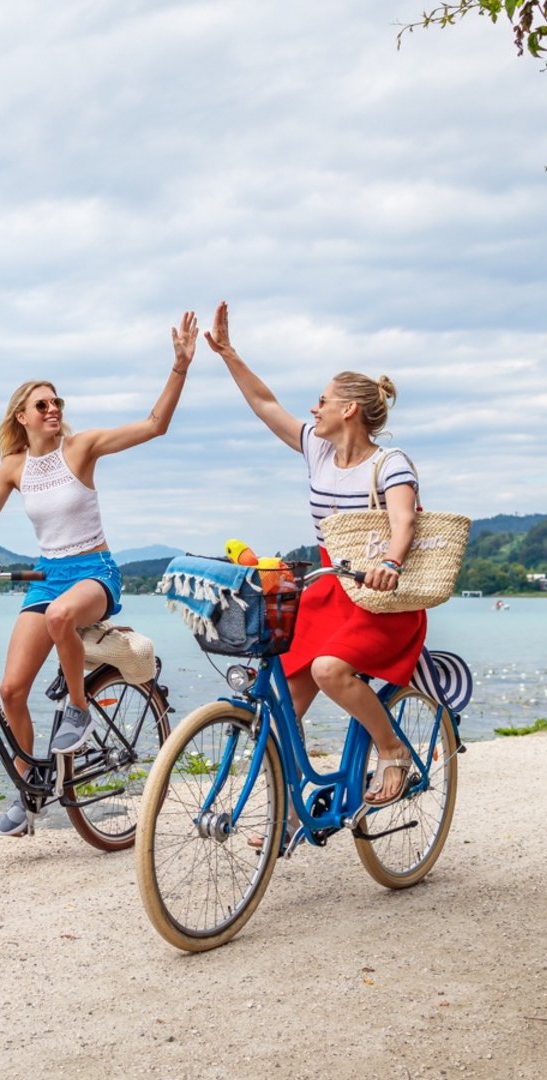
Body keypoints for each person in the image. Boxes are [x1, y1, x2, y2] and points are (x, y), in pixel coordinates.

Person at [0, 312, 200, 835]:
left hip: (94, 572)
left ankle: (78, 710)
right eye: (41, 404)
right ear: (20, 415)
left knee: (62, 616)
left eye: (57, 402)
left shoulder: (80, 448)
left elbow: (155, 425)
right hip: (46, 576)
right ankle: (30, 790)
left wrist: (179, 367)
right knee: (11, 690)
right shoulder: (14, 467)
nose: (53, 410)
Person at [203, 301, 426, 807]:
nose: (313, 408)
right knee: (284, 700)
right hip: (327, 588)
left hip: (376, 594)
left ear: (348, 409)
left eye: (322, 400)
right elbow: (264, 403)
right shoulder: (318, 449)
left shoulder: (390, 463)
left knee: (329, 671)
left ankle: (392, 751)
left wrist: (390, 562)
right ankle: (286, 810)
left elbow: (403, 520)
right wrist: (228, 354)